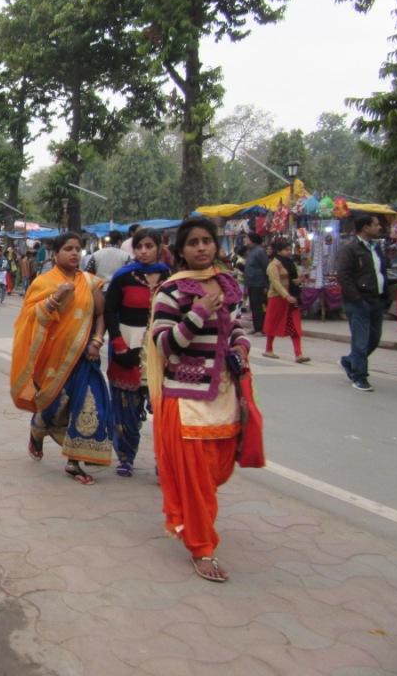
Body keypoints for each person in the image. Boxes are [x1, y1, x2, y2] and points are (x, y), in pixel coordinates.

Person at [147, 217, 251, 582]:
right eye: (193, 242)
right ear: (181, 251)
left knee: (216, 472)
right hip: (185, 398)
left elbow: (236, 326)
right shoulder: (170, 292)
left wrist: (241, 345)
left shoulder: (228, 285)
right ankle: (201, 545)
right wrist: (199, 311)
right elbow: (164, 344)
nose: (202, 247)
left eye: (208, 240)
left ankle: (198, 523)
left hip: (223, 395)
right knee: (195, 480)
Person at [12, 232, 112, 485]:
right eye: (68, 248)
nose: (75, 253)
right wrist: (55, 298)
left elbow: (101, 315)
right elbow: (29, 318)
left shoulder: (89, 282)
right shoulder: (43, 283)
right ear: (55, 254)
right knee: (55, 406)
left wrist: (97, 340)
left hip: (85, 358)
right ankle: (38, 429)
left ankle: (73, 462)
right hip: (53, 359)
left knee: (87, 406)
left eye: (78, 248)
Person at [104, 228, 171, 477]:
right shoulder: (123, 277)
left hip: (161, 350)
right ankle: (125, 456)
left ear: (159, 248)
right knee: (126, 408)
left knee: (164, 410)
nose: (143, 251)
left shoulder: (170, 278)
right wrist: (118, 343)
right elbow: (110, 311)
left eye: (149, 246)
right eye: (139, 246)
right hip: (127, 347)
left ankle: (164, 461)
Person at [337, 214, 388, 392]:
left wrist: (385, 295)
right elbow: (343, 276)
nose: (379, 227)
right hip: (359, 302)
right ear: (365, 228)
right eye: (375, 225)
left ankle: (349, 361)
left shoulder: (376, 248)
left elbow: (381, 272)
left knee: (374, 339)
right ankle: (359, 377)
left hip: (377, 300)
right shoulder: (350, 249)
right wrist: (356, 298)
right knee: (361, 340)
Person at [262, 238, 309, 364]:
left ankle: (299, 354)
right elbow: (276, 283)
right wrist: (286, 295)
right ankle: (268, 349)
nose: (289, 252)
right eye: (286, 250)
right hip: (277, 298)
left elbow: (291, 281)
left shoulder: (289, 263)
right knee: (273, 324)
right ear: (279, 251)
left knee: (295, 326)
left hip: (291, 297)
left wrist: (300, 280)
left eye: (289, 249)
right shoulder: (273, 265)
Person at [243, 232, 269, 334]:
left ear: (252, 240)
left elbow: (266, 267)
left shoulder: (260, 251)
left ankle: (261, 329)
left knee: (259, 306)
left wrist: (267, 284)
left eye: (246, 238)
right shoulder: (250, 251)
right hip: (251, 283)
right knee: (253, 306)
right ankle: (256, 326)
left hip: (259, 283)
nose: (245, 240)